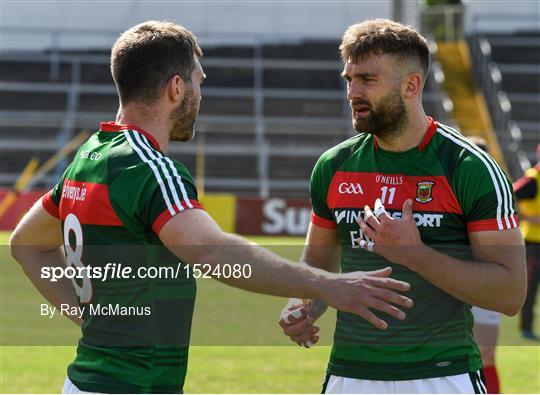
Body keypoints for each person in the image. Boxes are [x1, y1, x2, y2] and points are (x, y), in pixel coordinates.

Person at [8, 21, 414, 394]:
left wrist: (92, 318)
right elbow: (213, 251)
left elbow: (26, 243)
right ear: (176, 88)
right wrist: (329, 285)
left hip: (82, 383)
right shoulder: (150, 169)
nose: (201, 94)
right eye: (199, 81)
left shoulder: (91, 156)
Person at [278, 19, 526, 394]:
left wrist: (413, 253)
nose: (352, 92)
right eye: (349, 79)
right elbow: (317, 265)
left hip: (443, 375)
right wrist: (303, 306)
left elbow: (509, 293)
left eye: (367, 80)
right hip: (350, 375)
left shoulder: (469, 168)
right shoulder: (333, 166)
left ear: (412, 85)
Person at [467, 136, 502, 394]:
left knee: (486, 355)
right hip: (452, 284)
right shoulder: (448, 190)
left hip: (488, 284)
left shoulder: (497, 194)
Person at [513, 143, 540, 341]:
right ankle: (526, 328)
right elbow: (509, 194)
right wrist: (528, 218)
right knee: (529, 288)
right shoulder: (533, 179)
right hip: (533, 243)